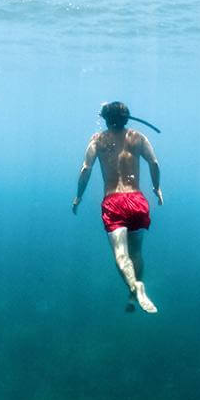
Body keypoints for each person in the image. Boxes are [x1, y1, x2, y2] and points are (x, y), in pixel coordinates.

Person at [72, 101, 163, 314]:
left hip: (114, 203)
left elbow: (86, 170)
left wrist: (78, 197)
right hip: (137, 201)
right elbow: (154, 163)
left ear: (105, 119)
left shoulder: (98, 140)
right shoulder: (139, 138)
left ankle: (135, 286)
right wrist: (157, 188)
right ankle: (132, 297)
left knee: (121, 254)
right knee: (137, 252)